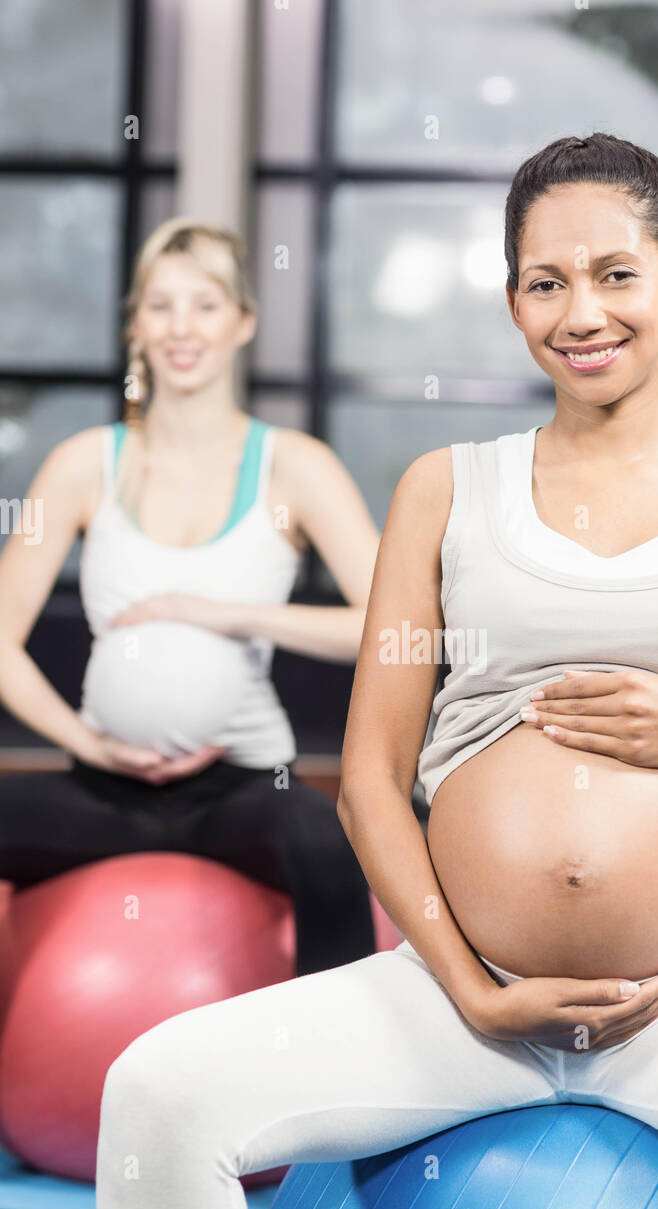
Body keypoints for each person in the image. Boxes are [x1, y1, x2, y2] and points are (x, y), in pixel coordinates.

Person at [95, 135, 658, 1209]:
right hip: (458, 996)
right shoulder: (445, 488)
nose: (580, 311)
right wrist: (469, 983)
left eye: (615, 273)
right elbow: (368, 778)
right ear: (511, 300)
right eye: (544, 282)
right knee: (156, 1093)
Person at [0, 217, 381, 977]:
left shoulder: (292, 466)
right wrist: (90, 745)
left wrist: (224, 613)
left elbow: (390, 625)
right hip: (104, 784)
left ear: (242, 322)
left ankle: (338, 1073)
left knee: (325, 839)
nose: (182, 329)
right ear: (135, 324)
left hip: (243, 786)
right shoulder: (85, 464)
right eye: (161, 305)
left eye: (205, 305)